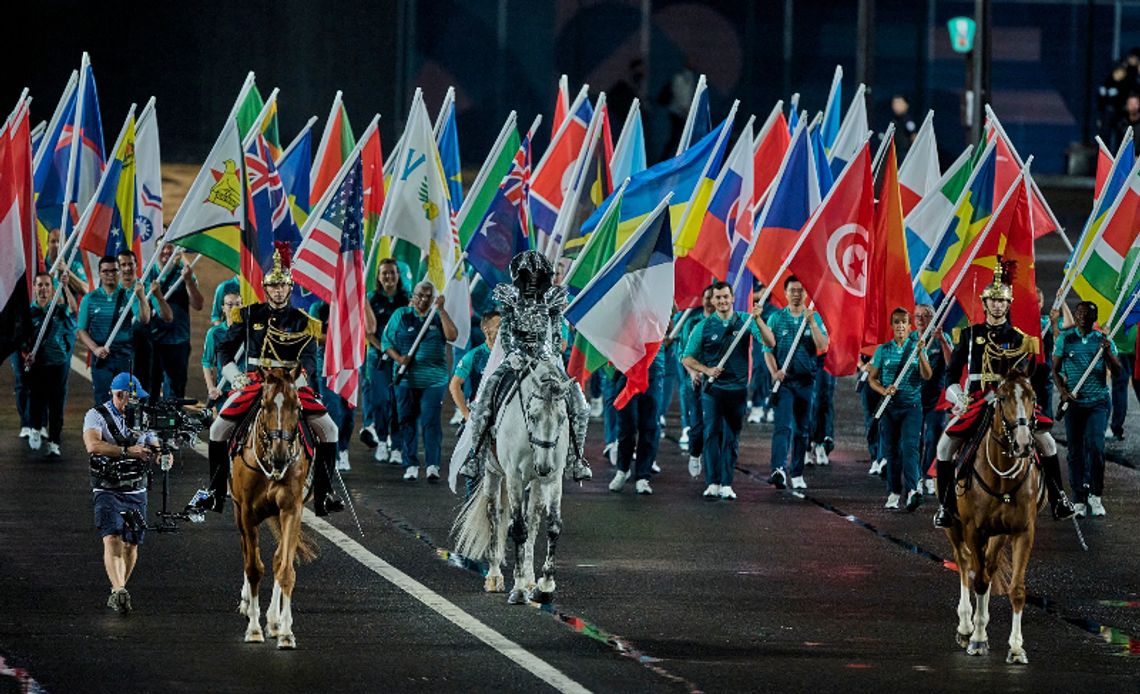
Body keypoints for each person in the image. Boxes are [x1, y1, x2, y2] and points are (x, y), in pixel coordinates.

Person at [192, 245, 344, 516]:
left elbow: (308, 358)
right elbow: (224, 348)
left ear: (289, 288)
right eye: (272, 286)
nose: (277, 291)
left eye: (282, 286)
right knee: (217, 430)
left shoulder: (303, 321)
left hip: (290, 386)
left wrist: (298, 381)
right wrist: (233, 375)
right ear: (265, 288)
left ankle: (324, 493)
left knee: (329, 430)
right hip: (255, 383)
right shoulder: (249, 315)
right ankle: (215, 493)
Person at [932, 262, 1076, 528]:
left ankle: (1058, 497)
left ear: (1008, 305)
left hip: (1011, 403)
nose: (997, 305)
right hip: (976, 402)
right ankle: (946, 505)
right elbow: (950, 376)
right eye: (993, 300)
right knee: (944, 447)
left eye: (1002, 301)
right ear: (985, 304)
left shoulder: (1020, 338)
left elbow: (1030, 375)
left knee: (1048, 444)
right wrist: (958, 397)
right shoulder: (969, 335)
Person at [460, 251, 593, 482]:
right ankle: (477, 456)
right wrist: (515, 354)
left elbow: (553, 334)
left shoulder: (552, 299)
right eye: (527, 274)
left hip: (545, 360)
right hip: (516, 359)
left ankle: (576, 457)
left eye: (537, 274)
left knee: (579, 402)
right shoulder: (510, 298)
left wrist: (547, 356)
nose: (532, 279)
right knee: (485, 398)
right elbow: (507, 332)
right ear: (519, 276)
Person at [83, 372, 170, 614]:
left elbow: (154, 445)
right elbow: (93, 445)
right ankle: (119, 588)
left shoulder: (143, 418)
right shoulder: (96, 415)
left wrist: (163, 455)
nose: (136, 403)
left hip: (136, 488)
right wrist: (127, 451)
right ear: (120, 396)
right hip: (107, 488)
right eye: (133, 398)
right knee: (112, 536)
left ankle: (119, 587)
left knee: (131, 543)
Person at [682, 281, 771, 500]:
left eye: (725, 297)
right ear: (712, 301)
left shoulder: (746, 320)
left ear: (732, 299)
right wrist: (706, 370)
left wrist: (758, 319)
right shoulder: (703, 326)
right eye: (718, 297)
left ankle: (727, 483)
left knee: (731, 437)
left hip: (738, 389)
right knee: (711, 433)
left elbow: (771, 342)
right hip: (713, 390)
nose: (722, 301)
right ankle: (712, 482)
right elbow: (687, 357)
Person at [382, 280, 458, 482]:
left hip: (434, 379)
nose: (423, 300)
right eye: (420, 295)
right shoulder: (402, 315)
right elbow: (385, 341)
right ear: (413, 296)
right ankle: (411, 464)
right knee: (407, 420)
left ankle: (432, 465)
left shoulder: (437, 316)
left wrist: (441, 310)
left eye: (428, 296)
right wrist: (399, 359)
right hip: (406, 379)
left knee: (430, 420)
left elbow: (453, 335)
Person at [1054, 301, 1120, 518]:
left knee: (1096, 447)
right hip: (1074, 403)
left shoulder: (1103, 340)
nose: (1083, 317)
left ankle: (1095, 495)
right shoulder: (1066, 339)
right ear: (1075, 315)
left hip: (1098, 403)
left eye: (1088, 314)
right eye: (1080, 313)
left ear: (1095, 318)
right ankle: (1079, 498)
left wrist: (1108, 352)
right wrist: (1063, 391)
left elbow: (1118, 372)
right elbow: (1054, 369)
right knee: (1075, 451)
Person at [762, 276, 829, 490]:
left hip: (806, 383)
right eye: (792, 290)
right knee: (782, 426)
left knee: (802, 429)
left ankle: (797, 472)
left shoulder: (814, 318)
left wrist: (811, 322)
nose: (797, 294)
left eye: (801, 290)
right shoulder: (775, 318)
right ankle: (778, 469)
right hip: (785, 383)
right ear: (786, 293)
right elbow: (767, 350)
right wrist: (774, 372)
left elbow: (823, 345)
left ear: (806, 293)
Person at [868, 308, 933, 511]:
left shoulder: (916, 348)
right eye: (896, 322)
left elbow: (927, 375)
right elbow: (872, 379)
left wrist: (921, 353)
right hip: (890, 408)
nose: (900, 326)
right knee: (892, 451)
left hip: (912, 407)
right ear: (892, 325)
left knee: (910, 448)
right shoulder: (883, 350)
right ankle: (894, 492)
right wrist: (884, 390)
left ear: (909, 326)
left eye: (904, 322)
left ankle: (913, 490)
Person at [76, 256, 155, 405]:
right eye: (105, 271)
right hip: (102, 357)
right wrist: (95, 349)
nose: (110, 274)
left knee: (124, 400)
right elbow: (82, 330)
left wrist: (141, 297)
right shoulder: (90, 299)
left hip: (124, 356)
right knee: (103, 399)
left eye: (114, 270)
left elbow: (144, 319)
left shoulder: (128, 296)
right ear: (99, 273)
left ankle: (122, 428)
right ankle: (106, 428)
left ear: (119, 272)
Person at [23, 270, 77, 456]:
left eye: (47, 285)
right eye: (40, 285)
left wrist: (66, 286)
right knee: (37, 399)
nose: (44, 289)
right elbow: (21, 340)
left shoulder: (59, 311)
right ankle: (36, 428)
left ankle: (54, 441)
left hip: (58, 363)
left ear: (53, 289)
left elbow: (73, 309)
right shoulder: (29, 313)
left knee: (56, 403)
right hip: (38, 364)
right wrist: (26, 354)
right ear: (34, 287)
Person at [362, 258, 411, 464]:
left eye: (392, 272)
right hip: (378, 359)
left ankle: (397, 446)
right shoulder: (371, 298)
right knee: (381, 401)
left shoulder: (407, 299)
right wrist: (384, 349)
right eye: (384, 273)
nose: (389, 277)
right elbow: (367, 331)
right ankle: (382, 441)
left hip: (401, 360)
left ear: (398, 275)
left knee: (399, 402)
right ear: (379, 277)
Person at [146, 244, 204, 398]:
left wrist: (188, 282)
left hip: (178, 340)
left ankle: (173, 422)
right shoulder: (148, 273)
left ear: (176, 251)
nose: (166, 251)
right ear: (156, 251)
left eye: (170, 248)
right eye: (162, 248)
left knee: (176, 392)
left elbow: (198, 305)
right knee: (150, 389)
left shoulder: (184, 273)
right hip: (153, 341)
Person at [609, 348, 666, 495]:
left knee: (649, 425)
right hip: (627, 370)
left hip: (652, 369)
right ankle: (622, 470)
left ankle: (643, 476)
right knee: (627, 425)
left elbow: (668, 328)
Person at [118, 249, 172, 397]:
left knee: (141, 393)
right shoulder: (113, 290)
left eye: (131, 264)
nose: (127, 268)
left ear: (137, 265)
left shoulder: (147, 288)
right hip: (118, 351)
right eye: (123, 265)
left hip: (141, 350)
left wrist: (158, 296)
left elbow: (167, 316)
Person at [914, 303, 953, 497]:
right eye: (918, 316)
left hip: (936, 399)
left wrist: (943, 341)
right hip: (914, 399)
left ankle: (928, 477)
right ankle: (915, 479)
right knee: (916, 439)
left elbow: (952, 364)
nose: (921, 320)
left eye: (926, 315)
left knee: (933, 437)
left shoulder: (940, 339)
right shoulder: (909, 340)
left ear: (933, 318)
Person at [449, 311, 501, 422]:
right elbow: (454, 385)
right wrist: (466, 414)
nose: (504, 331)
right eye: (499, 327)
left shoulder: (511, 355)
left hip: (505, 414)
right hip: (481, 415)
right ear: (487, 330)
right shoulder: (474, 355)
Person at [201, 291, 242, 412]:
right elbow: (207, 362)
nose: (234, 308)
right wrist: (211, 387)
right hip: (224, 391)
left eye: (238, 304)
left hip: (245, 390)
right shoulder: (214, 333)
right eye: (230, 304)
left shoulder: (248, 332)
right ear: (223, 308)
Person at [747, 288, 777, 425]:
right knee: (760, 369)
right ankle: (757, 406)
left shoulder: (775, 312)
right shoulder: (749, 274)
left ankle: (773, 406)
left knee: (778, 370)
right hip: (756, 335)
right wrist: (755, 295)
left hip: (776, 333)